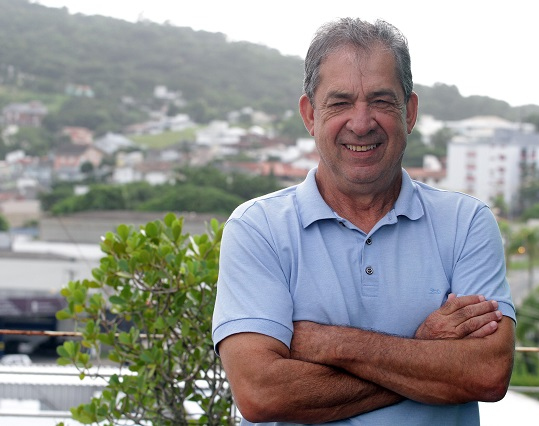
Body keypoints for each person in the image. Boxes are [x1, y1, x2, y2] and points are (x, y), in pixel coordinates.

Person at [212, 17, 516, 425]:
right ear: (309, 114)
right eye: (339, 102)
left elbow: (487, 373)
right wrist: (423, 350)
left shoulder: (467, 223)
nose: (361, 122)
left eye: (381, 100)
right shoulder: (257, 228)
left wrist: (327, 342)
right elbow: (261, 393)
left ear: (409, 112)